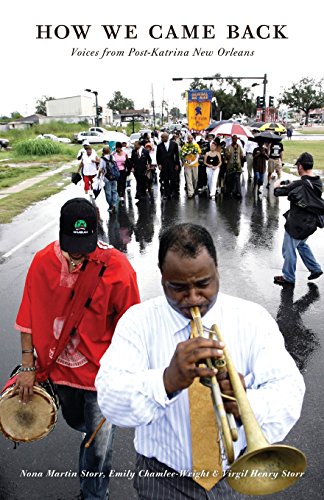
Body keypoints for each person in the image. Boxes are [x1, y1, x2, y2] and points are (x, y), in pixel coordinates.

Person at [96, 223, 305, 499]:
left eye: (204, 284)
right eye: (178, 287)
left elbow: (290, 392)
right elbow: (110, 402)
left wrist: (244, 404)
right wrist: (166, 381)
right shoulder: (137, 322)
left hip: (235, 473)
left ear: (217, 271)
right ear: (162, 278)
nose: (193, 298)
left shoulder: (252, 319)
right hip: (161, 478)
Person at [14, 197, 140, 499]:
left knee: (97, 447)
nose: (77, 255)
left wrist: (127, 377)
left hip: (101, 376)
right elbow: (28, 317)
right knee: (80, 427)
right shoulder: (43, 261)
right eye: (71, 247)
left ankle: (94, 495)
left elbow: (133, 328)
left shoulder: (118, 269)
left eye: (85, 248)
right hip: (58, 371)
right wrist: (28, 367)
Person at [273, 152, 323, 285]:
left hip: (296, 224)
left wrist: (278, 182)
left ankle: (288, 277)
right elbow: (304, 185)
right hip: (311, 223)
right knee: (301, 244)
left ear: (300, 166)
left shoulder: (299, 185)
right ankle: (315, 268)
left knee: (288, 249)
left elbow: (277, 192)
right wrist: (293, 183)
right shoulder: (317, 182)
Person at [156, 132, 181, 199]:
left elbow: (177, 155)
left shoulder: (174, 144)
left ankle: (174, 191)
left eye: (162, 137)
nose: (161, 139)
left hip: (172, 164)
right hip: (164, 165)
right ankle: (167, 194)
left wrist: (177, 164)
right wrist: (159, 164)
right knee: (165, 179)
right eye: (161, 137)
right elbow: (158, 156)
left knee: (173, 179)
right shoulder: (159, 146)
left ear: (166, 137)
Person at [100, 146, 119, 213]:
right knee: (114, 191)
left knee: (108, 193)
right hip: (114, 177)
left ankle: (111, 205)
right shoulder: (112, 157)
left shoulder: (102, 159)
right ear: (109, 151)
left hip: (106, 178)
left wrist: (99, 177)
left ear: (103, 152)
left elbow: (101, 169)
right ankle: (114, 204)